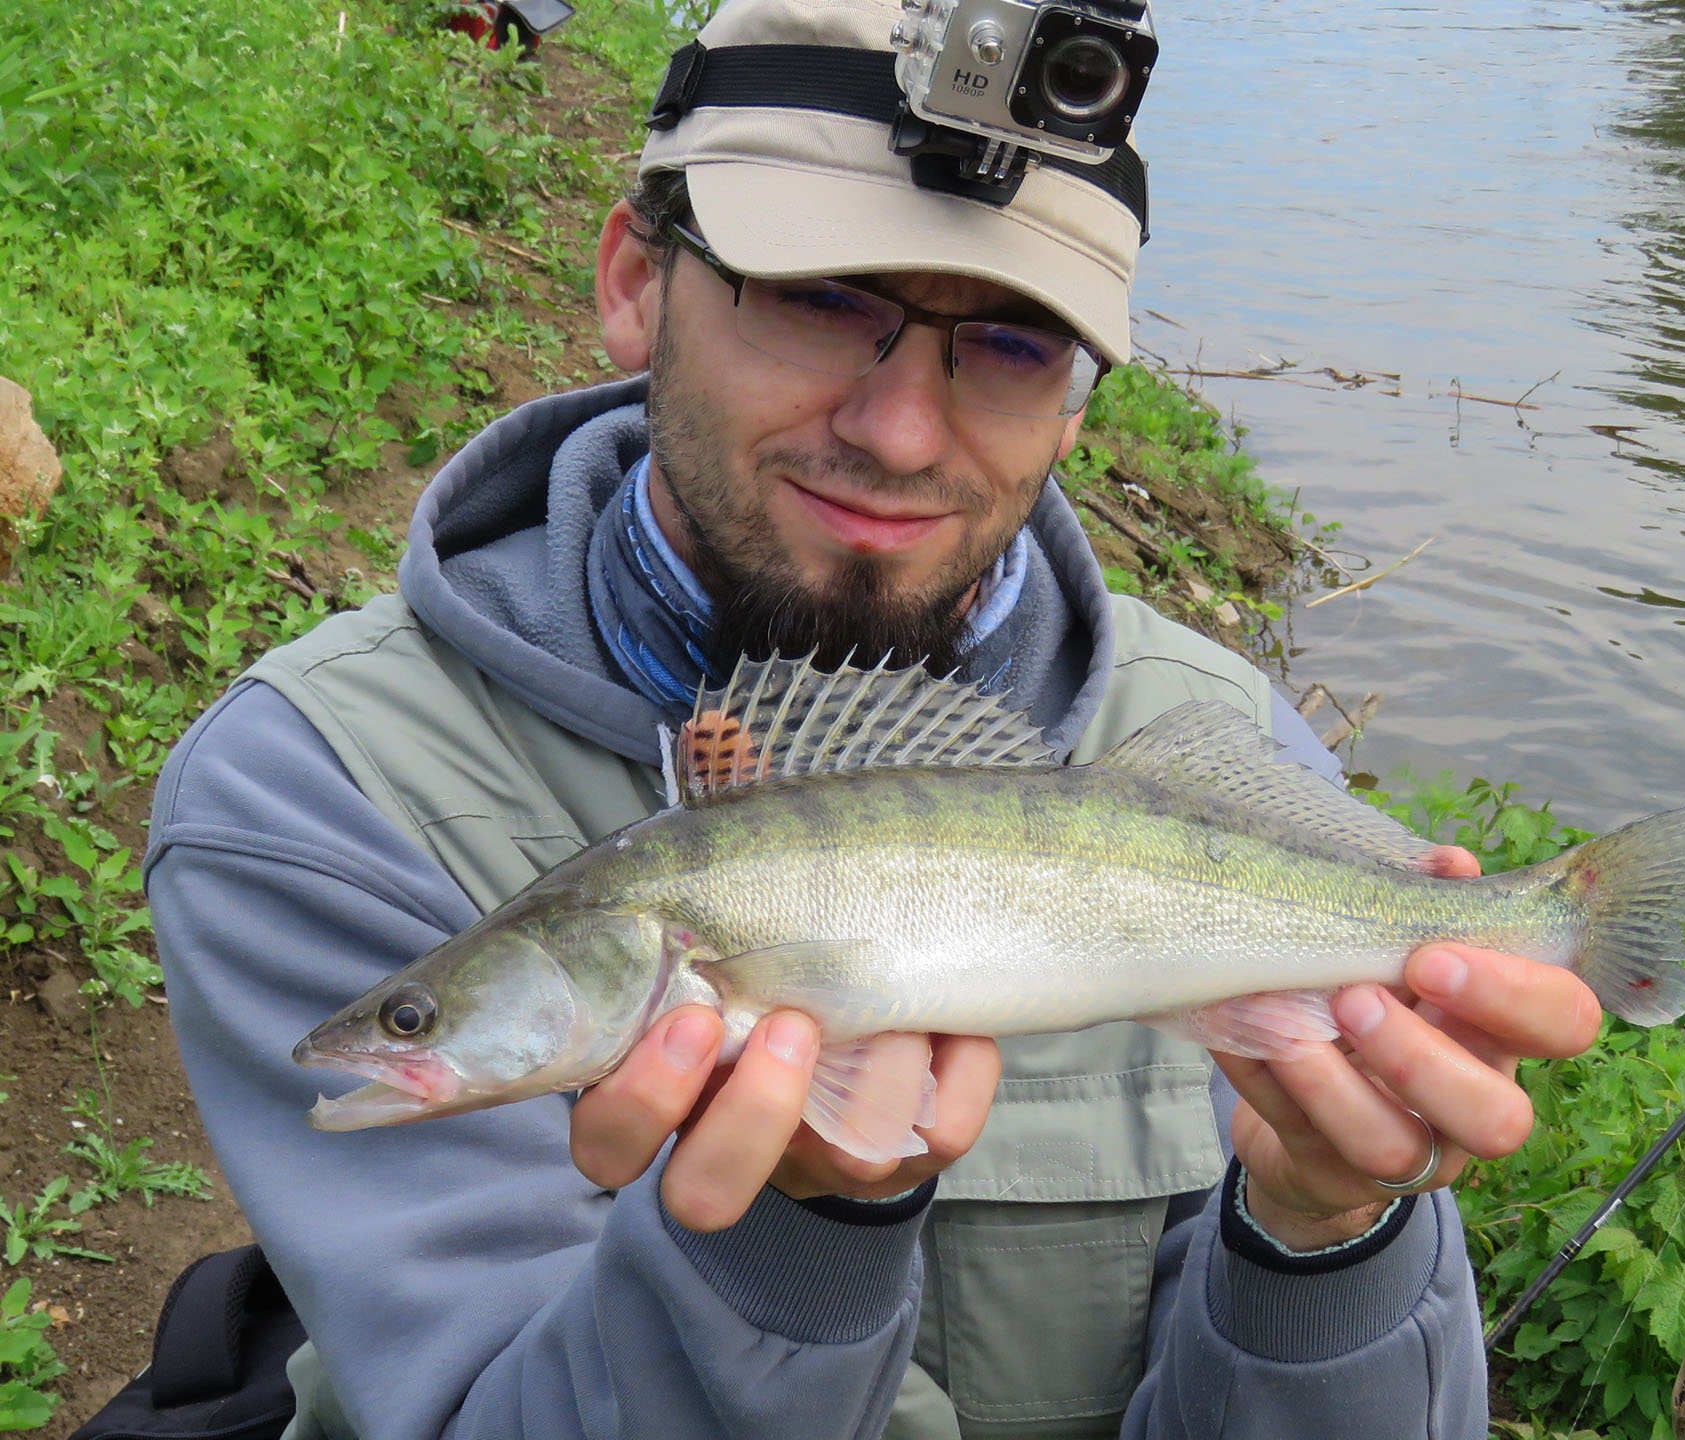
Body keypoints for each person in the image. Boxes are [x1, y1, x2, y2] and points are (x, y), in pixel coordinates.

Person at [144, 0, 1603, 1435]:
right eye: (821, 296)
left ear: (1082, 405)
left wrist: (1326, 1233)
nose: (901, 432)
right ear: (635, 277)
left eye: (1016, 342)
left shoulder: (1227, 750)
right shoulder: (319, 797)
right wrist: (785, 1243)